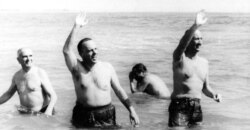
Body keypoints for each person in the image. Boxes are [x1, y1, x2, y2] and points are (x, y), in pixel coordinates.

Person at [63, 12, 140, 128]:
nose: (95, 52)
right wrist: (76, 27)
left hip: (106, 114)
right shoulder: (77, 68)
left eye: (96, 49)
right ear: (81, 53)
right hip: (83, 114)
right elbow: (67, 50)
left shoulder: (107, 67)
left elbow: (119, 91)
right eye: (90, 50)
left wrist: (131, 110)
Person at [169, 10, 222, 127]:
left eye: (201, 39)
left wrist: (214, 95)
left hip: (197, 107)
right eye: (196, 39)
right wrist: (195, 26)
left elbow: (205, 88)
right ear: (189, 41)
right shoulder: (179, 58)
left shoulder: (204, 62)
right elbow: (182, 43)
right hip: (179, 106)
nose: (200, 42)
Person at [0, 48, 57, 116]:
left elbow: (53, 95)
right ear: (18, 60)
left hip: (42, 112)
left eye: (30, 56)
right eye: (25, 56)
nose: (29, 59)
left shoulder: (40, 72)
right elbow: (8, 94)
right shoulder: (17, 76)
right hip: (26, 112)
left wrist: (48, 111)